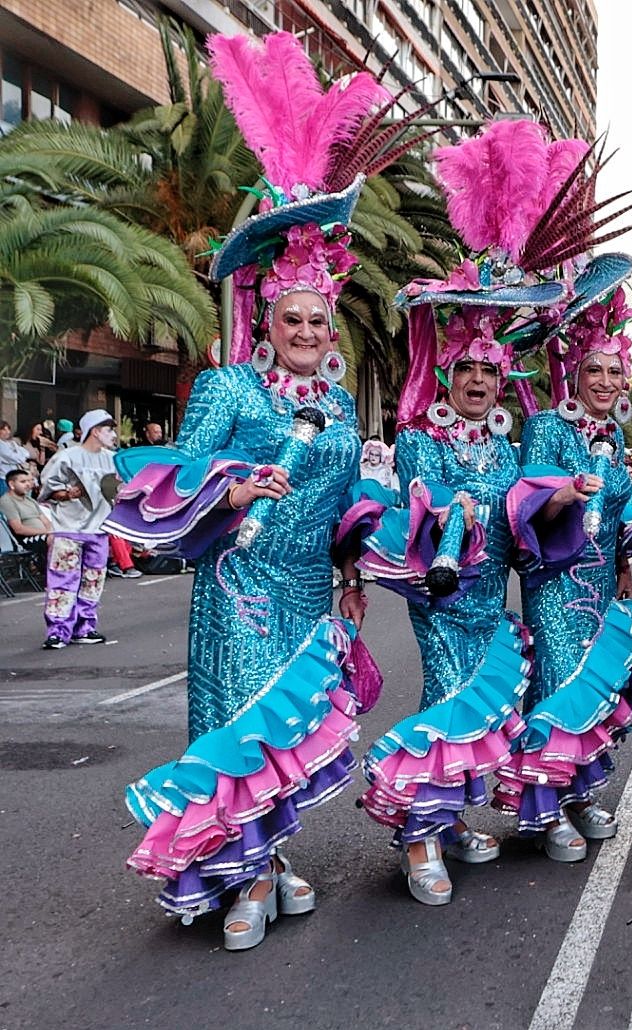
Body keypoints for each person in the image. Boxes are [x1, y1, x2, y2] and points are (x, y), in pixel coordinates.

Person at [105, 31, 404, 951]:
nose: (310, 328)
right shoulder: (231, 387)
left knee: (289, 735)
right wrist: (233, 492)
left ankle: (271, 861)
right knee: (238, 730)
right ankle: (242, 880)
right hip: (238, 588)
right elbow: (174, 479)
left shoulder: (339, 402)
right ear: (265, 321)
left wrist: (357, 556)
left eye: (321, 316)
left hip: (310, 588)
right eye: (294, 317)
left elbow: (351, 496)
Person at [338, 119, 609, 899]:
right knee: (450, 701)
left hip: (495, 599)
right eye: (468, 373)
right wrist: (442, 508)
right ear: (448, 375)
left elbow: (523, 515)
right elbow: (415, 512)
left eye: (492, 374)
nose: (481, 385)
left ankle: (452, 819)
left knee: (487, 706)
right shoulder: (422, 437)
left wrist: (558, 499)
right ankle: (419, 837)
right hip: (445, 597)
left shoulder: (512, 441)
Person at [503, 253, 632, 861]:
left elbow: (618, 511)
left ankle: (577, 792)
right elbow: (525, 508)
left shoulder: (615, 436)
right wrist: (562, 494)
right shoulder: (547, 428)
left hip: (601, 584)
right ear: (574, 372)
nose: (604, 382)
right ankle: (543, 809)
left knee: (594, 687)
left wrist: (624, 565)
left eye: (614, 373)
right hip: (558, 582)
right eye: (593, 370)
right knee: (557, 685)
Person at [38, 408, 118, 647]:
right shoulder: (66, 456)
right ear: (95, 431)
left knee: (93, 580)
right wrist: (67, 494)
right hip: (69, 528)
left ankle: (85, 627)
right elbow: (48, 490)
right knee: (62, 579)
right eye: (109, 429)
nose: (113, 434)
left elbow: (119, 490)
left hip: (99, 529)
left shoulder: (112, 459)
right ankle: (58, 631)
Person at [1, 467, 50, 559]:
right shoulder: (7, 501)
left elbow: (46, 521)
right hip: (25, 541)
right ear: (12, 484)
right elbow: (18, 529)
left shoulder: (30, 500)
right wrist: (46, 532)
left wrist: (51, 531)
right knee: (56, 540)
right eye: (23, 482)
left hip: (44, 536)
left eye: (28, 481)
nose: (28, 484)